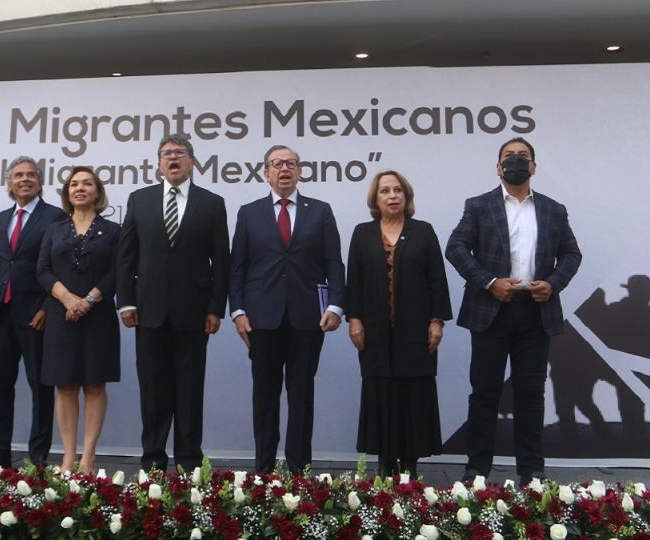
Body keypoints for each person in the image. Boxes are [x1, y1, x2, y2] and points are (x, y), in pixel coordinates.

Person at [446, 137, 581, 485]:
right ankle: (476, 470)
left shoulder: (554, 209)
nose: (516, 161)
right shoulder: (478, 205)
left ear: (534, 166)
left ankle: (532, 470)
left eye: (523, 157)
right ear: (498, 167)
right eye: (509, 157)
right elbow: (456, 247)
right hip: (491, 311)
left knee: (531, 394)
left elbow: (571, 255)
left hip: (536, 313)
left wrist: (553, 283)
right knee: (485, 393)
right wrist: (490, 282)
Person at [229, 145, 346, 474]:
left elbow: (333, 262)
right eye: (277, 164)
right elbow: (238, 266)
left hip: (306, 318)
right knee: (264, 398)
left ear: (299, 171)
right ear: (265, 173)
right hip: (261, 320)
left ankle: (299, 471)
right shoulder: (249, 212)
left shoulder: (319, 211)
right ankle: (263, 471)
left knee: (302, 397)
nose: (284, 169)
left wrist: (336, 305)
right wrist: (238, 312)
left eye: (291, 164)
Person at [117, 133, 230, 472]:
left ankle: (188, 463)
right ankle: (152, 461)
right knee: (153, 391)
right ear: (158, 164)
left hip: (194, 313)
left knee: (190, 390)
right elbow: (126, 256)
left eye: (179, 153)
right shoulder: (140, 200)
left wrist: (215, 307)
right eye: (166, 154)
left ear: (192, 162)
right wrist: (126, 302)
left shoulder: (211, 203)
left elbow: (221, 260)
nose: (173, 159)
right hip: (148, 311)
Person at [346, 170, 452, 478]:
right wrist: (354, 320)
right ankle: (384, 460)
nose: (392, 196)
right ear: (375, 199)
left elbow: (437, 280)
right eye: (385, 191)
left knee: (413, 395)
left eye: (397, 191)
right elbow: (354, 280)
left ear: (406, 197)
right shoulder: (362, 233)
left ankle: (409, 463)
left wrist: (437, 321)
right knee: (381, 392)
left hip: (416, 331)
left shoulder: (423, 231)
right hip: (375, 333)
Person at [37, 166, 120, 472]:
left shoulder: (113, 230)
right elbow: (43, 270)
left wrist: (88, 300)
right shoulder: (54, 229)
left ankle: (88, 456)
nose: (80, 188)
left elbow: (117, 273)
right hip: (62, 316)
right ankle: (68, 456)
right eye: (74, 184)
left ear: (97, 192)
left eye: (87, 183)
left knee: (95, 385)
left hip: (98, 317)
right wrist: (69, 299)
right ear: (67, 193)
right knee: (65, 385)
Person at [0, 156, 65, 466]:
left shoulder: (56, 217)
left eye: (31, 175)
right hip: (1, 315)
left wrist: (47, 307)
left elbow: (58, 268)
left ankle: (38, 455)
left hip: (37, 316)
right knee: (0, 387)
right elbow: (0, 266)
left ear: (41, 183)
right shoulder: (0, 218)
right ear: (9, 183)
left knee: (40, 389)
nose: (25, 179)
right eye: (18, 175)